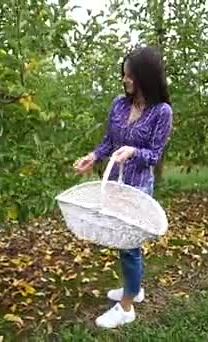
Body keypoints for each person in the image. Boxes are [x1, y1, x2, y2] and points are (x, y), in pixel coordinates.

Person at [74, 45, 173, 329]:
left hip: (138, 187)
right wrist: (92, 157)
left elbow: (154, 154)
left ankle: (127, 307)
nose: (125, 80)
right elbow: (109, 141)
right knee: (122, 240)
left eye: (130, 75)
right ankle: (134, 288)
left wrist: (133, 151)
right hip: (115, 185)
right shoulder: (119, 103)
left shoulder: (161, 112)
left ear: (145, 77)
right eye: (124, 75)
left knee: (129, 244)